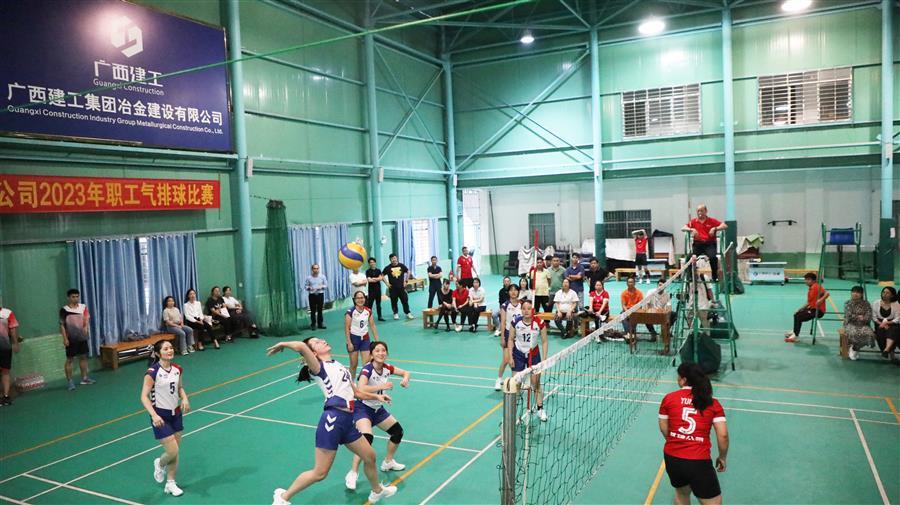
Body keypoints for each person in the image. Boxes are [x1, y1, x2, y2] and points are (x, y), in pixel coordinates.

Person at [267, 338, 398, 505]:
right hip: (332, 420)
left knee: (370, 456)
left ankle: (377, 491)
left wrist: (376, 396)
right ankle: (283, 498)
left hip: (348, 421)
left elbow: (357, 393)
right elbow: (300, 346)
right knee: (320, 473)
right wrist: (282, 344)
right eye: (317, 342)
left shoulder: (339, 366)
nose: (322, 341)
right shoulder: (318, 367)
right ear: (313, 353)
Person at [658, 363, 728, 505]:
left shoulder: (669, 398)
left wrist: (676, 440)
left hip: (673, 458)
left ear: (683, 380)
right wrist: (722, 457)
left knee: (682, 494)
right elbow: (723, 435)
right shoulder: (712, 403)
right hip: (698, 460)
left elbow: (664, 427)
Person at [345, 341, 411, 491]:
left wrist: (405, 379)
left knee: (397, 432)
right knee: (366, 440)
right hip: (363, 408)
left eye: (383, 350)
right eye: (377, 351)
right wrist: (382, 386)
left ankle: (388, 462)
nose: (381, 353)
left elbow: (406, 372)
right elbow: (360, 388)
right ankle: (353, 472)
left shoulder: (387, 368)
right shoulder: (367, 369)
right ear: (371, 354)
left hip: (378, 409)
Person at [141, 340, 190, 497]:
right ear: (157, 353)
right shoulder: (152, 372)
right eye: (166, 348)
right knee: (172, 450)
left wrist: (185, 398)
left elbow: (179, 387)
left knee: (175, 452)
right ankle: (160, 463)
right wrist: (154, 415)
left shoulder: (177, 369)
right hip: (160, 416)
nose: (170, 350)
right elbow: (144, 396)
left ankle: (170, 483)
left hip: (176, 414)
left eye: (171, 348)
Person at [507, 300, 549, 421]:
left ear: (532, 310)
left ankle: (540, 409)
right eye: (524, 308)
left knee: (535, 383)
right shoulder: (516, 322)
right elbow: (510, 339)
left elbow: (544, 341)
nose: (526, 311)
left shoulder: (539, 323)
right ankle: (514, 409)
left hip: (533, 354)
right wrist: (510, 356)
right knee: (516, 383)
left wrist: (544, 360)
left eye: (529, 308)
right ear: (521, 310)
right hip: (518, 354)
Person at [60, 288, 95, 391]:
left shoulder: (83, 307)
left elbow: (86, 318)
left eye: (77, 296)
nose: (76, 298)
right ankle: (70, 382)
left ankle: (84, 378)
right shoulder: (64, 310)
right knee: (70, 360)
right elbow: (62, 325)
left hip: (82, 337)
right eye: (73, 297)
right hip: (71, 338)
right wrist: (65, 339)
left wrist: (85, 328)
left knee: (83, 357)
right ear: (68, 298)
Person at [682, 205, 727, 283]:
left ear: (706, 211)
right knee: (689, 258)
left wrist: (715, 228)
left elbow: (725, 226)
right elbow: (683, 228)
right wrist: (691, 229)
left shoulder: (712, 221)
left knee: (713, 257)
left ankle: (714, 277)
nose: (699, 213)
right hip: (698, 244)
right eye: (698, 211)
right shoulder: (693, 221)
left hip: (709, 244)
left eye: (701, 211)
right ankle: (690, 277)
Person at [784, 273, 828, 343]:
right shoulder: (811, 288)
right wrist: (800, 309)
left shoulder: (816, 287)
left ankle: (795, 336)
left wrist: (821, 300)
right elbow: (809, 302)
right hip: (812, 308)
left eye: (808, 280)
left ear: (814, 280)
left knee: (799, 317)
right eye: (805, 279)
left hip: (818, 311)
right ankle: (794, 331)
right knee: (797, 314)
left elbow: (827, 293)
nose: (806, 281)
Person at [345, 291, 379, 378]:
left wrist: (377, 341)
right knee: (353, 365)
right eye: (358, 298)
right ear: (354, 300)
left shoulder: (368, 311)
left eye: (362, 298)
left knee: (367, 364)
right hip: (354, 339)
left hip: (365, 339)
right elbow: (347, 328)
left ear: (365, 299)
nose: (360, 300)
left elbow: (372, 325)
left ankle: (364, 382)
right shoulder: (350, 312)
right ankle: (351, 382)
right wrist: (349, 343)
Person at [496, 284, 522, 390]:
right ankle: (499, 379)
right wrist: (502, 337)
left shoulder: (522, 304)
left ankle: (515, 380)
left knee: (516, 359)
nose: (513, 292)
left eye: (515, 290)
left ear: (518, 292)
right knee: (506, 359)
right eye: (511, 290)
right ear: (508, 292)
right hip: (508, 334)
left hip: (519, 335)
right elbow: (502, 322)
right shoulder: (505, 305)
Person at [843, 286, 875, 361]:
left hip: (863, 324)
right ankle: (853, 348)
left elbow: (869, 315)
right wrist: (858, 317)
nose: (855, 294)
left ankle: (855, 348)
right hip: (851, 324)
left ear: (861, 294)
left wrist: (863, 318)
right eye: (853, 292)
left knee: (869, 334)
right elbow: (849, 316)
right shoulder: (847, 303)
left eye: (858, 292)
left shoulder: (866, 304)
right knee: (854, 333)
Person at [382, 254, 413, 320]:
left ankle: (408, 313)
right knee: (394, 302)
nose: (394, 259)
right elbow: (382, 275)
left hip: (401, 288)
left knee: (405, 301)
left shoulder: (401, 265)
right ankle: (395, 313)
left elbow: (408, 271)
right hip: (392, 288)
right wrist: (387, 283)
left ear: (397, 258)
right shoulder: (388, 267)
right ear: (390, 260)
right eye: (392, 258)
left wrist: (406, 281)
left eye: (395, 258)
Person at [0, 304, 21, 406]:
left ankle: (6, 396)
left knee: (5, 371)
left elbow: (13, 329)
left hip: (5, 347)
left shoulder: (7, 313)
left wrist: (15, 343)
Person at [872, 286, 899, 363]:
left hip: (892, 323)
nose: (884, 294)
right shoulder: (876, 303)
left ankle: (887, 351)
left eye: (887, 293)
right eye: (883, 292)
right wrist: (882, 324)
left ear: (892, 295)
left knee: (893, 331)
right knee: (881, 333)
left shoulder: (896, 304)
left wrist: (887, 323)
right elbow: (874, 317)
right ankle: (886, 351)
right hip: (879, 323)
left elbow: (897, 318)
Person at [621, 276, 644, 351]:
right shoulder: (624, 293)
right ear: (627, 283)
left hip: (636, 311)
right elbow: (623, 305)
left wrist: (633, 312)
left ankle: (630, 334)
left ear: (634, 283)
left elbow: (640, 305)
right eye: (629, 282)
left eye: (632, 282)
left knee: (634, 317)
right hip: (627, 310)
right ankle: (630, 334)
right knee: (622, 315)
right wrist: (627, 312)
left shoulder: (639, 293)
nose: (630, 283)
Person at [305, 265, 327, 330]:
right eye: (314, 268)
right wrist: (309, 287)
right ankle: (313, 324)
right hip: (312, 295)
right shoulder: (309, 278)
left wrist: (321, 286)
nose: (316, 270)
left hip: (320, 295)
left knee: (320, 309)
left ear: (319, 269)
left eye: (317, 268)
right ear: (312, 269)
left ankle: (320, 324)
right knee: (313, 310)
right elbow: (306, 286)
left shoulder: (322, 277)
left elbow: (326, 285)